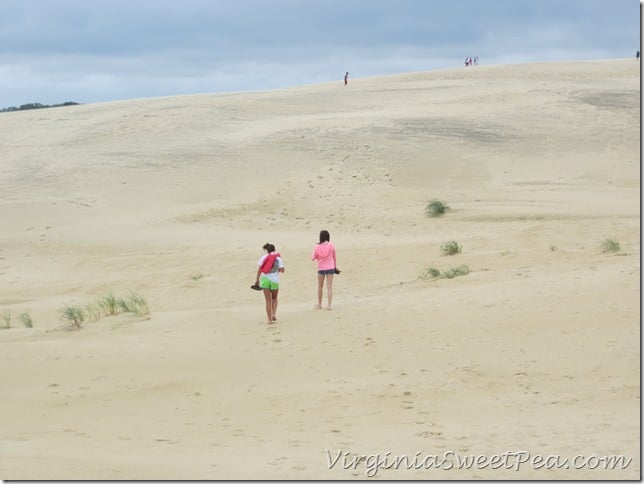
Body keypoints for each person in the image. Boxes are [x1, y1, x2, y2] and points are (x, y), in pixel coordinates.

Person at [254, 243, 285, 324]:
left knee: (268, 300)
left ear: (267, 250)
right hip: (275, 281)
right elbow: (282, 270)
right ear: (274, 250)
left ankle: (269, 320)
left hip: (265, 280)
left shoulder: (264, 257)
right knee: (274, 298)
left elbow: (260, 269)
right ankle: (274, 313)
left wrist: (257, 280)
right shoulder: (278, 258)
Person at [311, 230, 337, 310]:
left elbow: (312, 258)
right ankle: (329, 305)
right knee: (329, 287)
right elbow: (334, 257)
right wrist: (335, 267)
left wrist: (318, 256)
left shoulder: (317, 247)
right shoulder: (331, 245)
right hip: (330, 267)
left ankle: (319, 304)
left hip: (321, 268)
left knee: (320, 286)